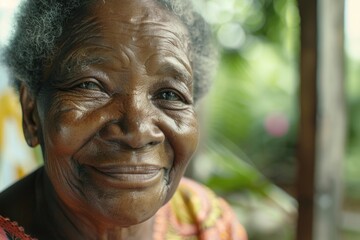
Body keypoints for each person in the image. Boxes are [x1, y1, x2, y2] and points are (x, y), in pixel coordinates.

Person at [0, 0, 247, 239]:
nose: (138, 133)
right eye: (90, 86)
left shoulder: (208, 224)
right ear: (31, 112)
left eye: (170, 94)